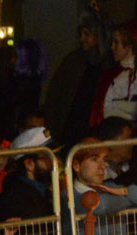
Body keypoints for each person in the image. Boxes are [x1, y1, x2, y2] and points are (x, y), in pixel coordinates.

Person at [44, 13, 108, 150]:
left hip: (93, 130)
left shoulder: (108, 65)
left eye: (87, 34)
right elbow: (55, 96)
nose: (82, 39)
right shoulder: (73, 62)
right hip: (70, 129)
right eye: (81, 34)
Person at [90, 22, 137, 127]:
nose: (112, 47)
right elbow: (98, 110)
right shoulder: (109, 75)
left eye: (116, 42)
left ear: (129, 45)